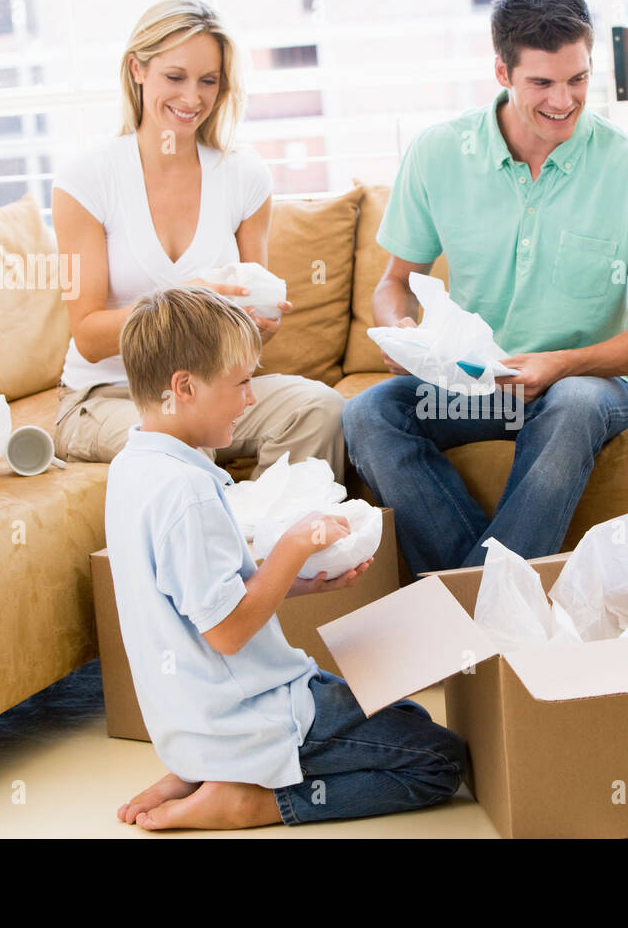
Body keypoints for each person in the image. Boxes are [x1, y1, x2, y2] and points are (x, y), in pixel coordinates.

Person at [342, 0, 628, 577]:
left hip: (586, 384)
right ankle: (495, 602)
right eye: (542, 83)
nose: (564, 100)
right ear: (502, 70)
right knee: (366, 414)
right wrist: (400, 335)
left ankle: (471, 610)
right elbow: (393, 284)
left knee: (575, 405)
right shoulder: (438, 154)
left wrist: (558, 363)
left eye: (578, 79)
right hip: (477, 387)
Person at [106, 285, 466, 830]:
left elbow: (194, 600)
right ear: (185, 387)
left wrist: (300, 581)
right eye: (242, 382)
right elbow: (226, 632)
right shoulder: (189, 493)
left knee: (405, 714)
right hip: (250, 715)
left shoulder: (134, 469)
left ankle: (202, 770)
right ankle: (254, 799)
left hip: (198, 718)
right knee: (439, 760)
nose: (251, 399)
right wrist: (295, 546)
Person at [52, 0, 344, 479]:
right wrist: (190, 304)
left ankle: (273, 541)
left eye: (208, 81)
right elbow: (87, 336)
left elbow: (252, 319)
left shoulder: (244, 177)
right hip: (104, 398)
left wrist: (255, 324)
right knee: (181, 434)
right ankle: (229, 548)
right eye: (175, 77)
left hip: (210, 393)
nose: (192, 98)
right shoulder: (86, 180)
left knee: (320, 407)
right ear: (137, 69)